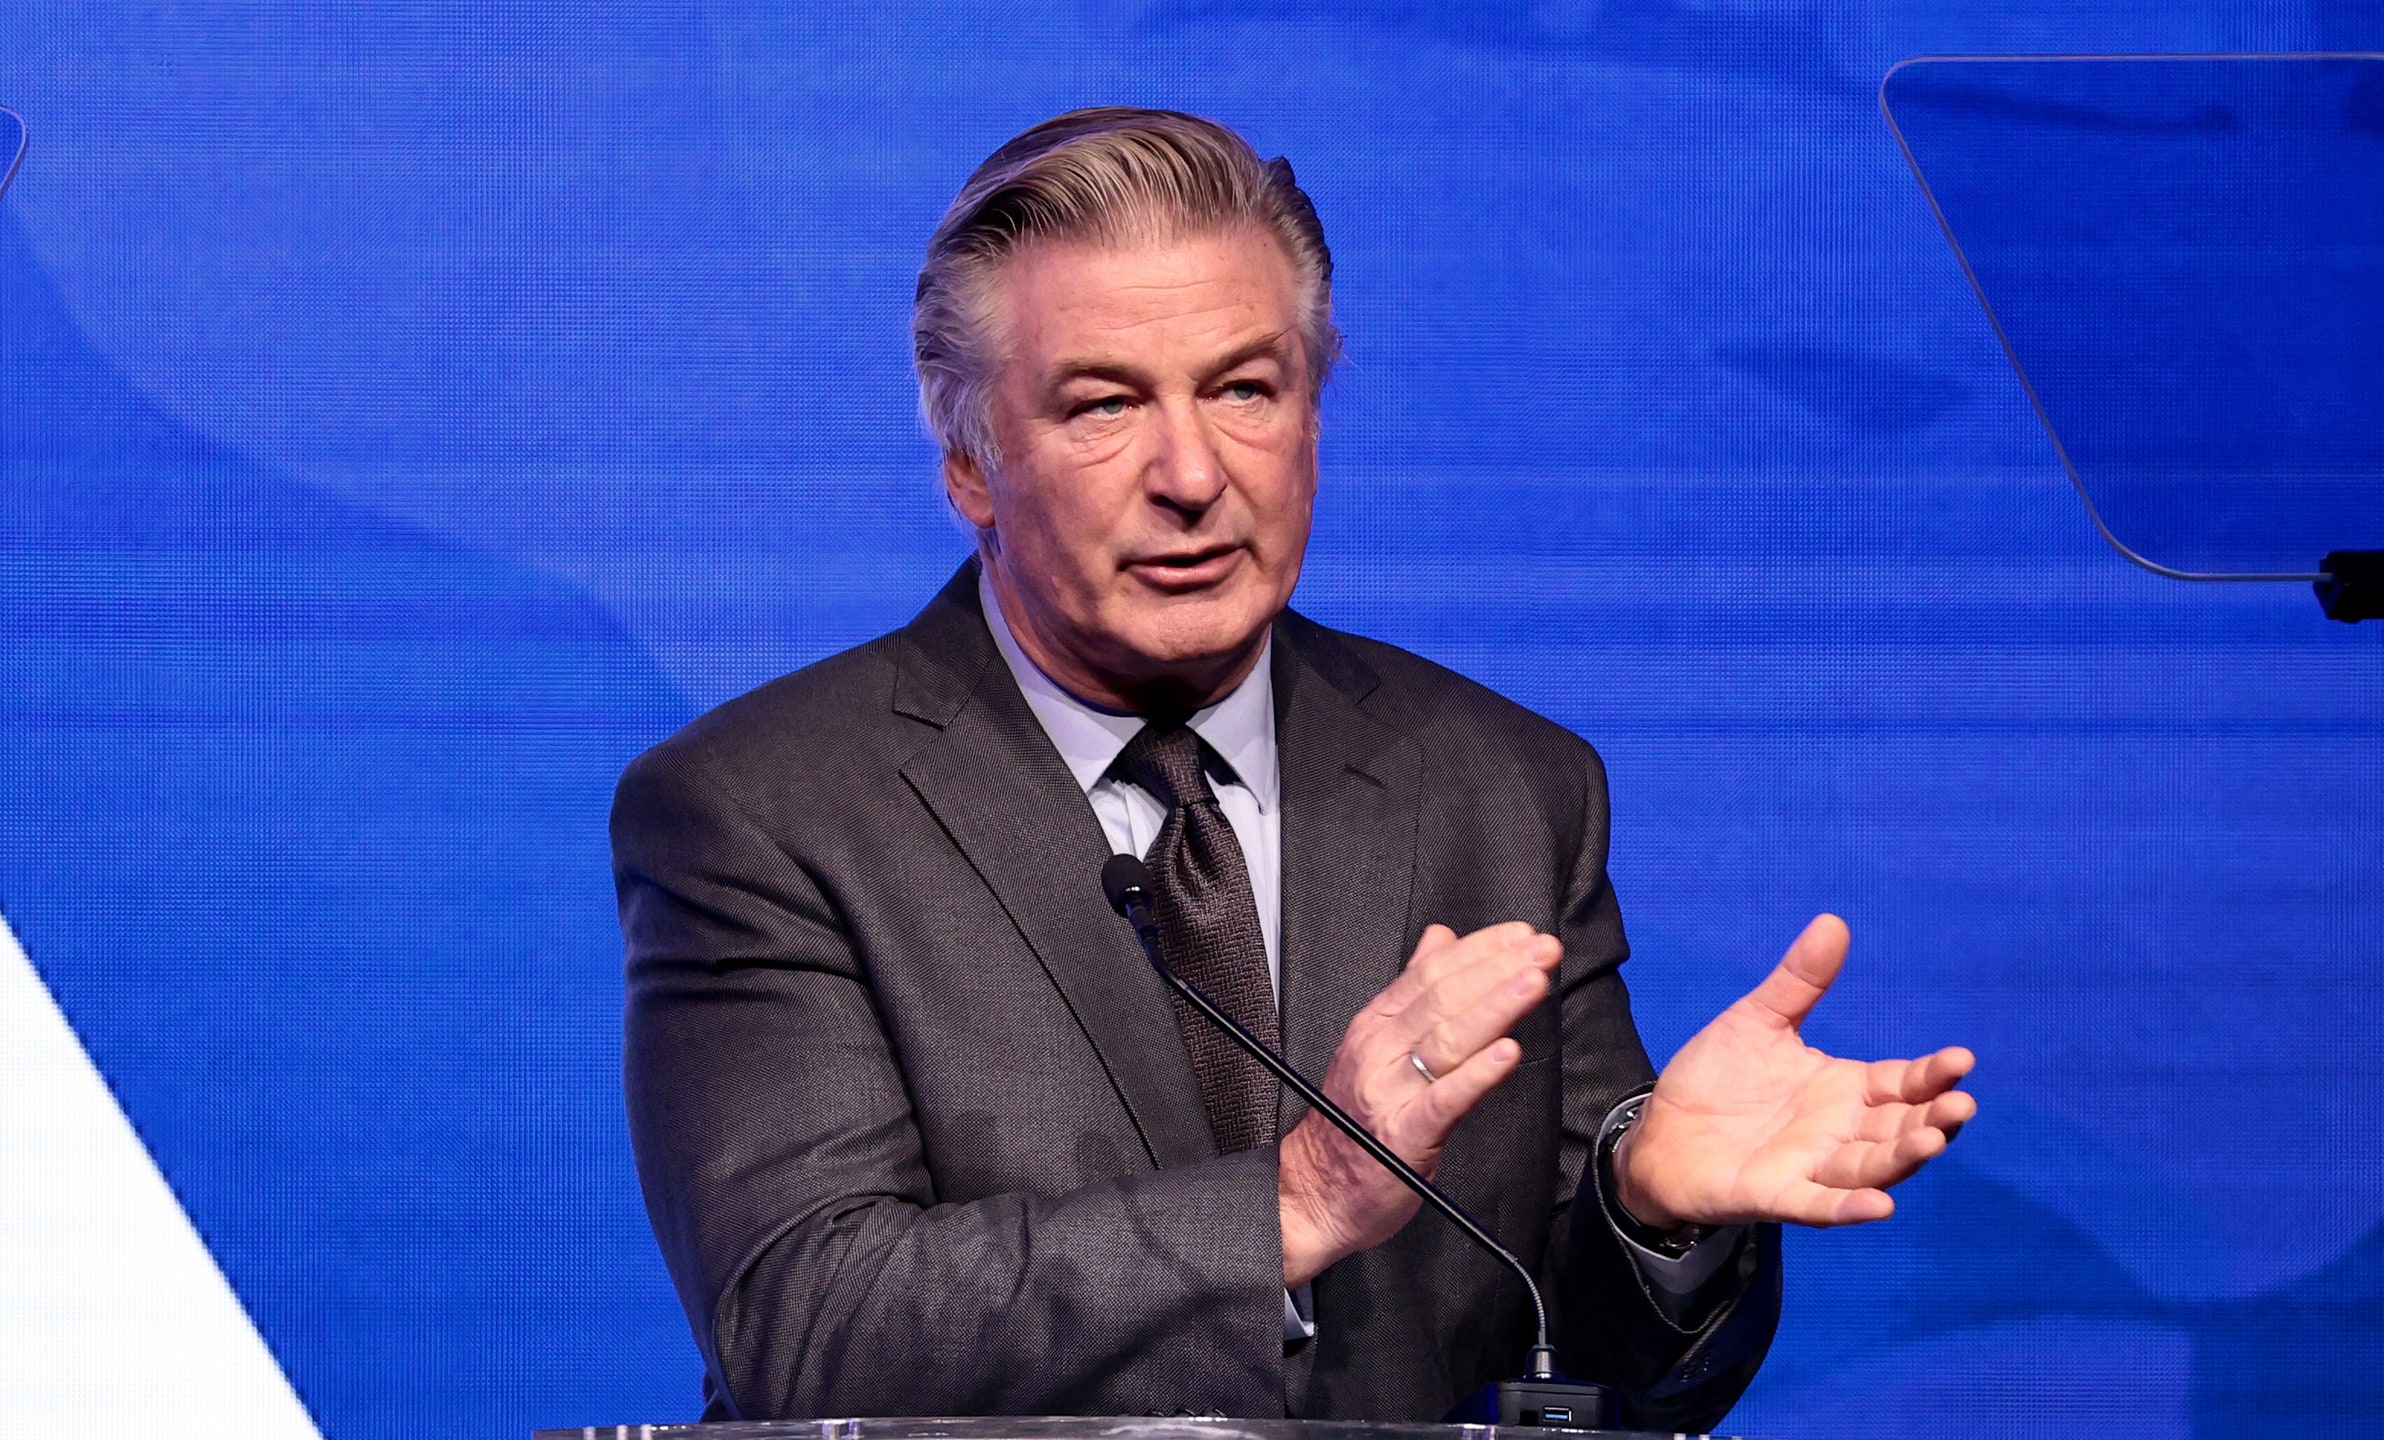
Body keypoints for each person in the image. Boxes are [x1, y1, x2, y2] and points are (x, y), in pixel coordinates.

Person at [613, 108, 1976, 1428]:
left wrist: (1653, 1209)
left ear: (1315, 413)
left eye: (1245, 388)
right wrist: (1301, 1198)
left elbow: (1574, 1375)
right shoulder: (766, 810)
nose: (1193, 473)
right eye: (1103, 405)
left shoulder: (1504, 787)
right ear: (971, 459)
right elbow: (808, 1325)